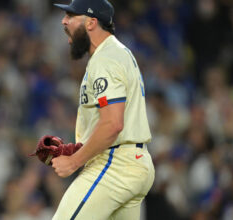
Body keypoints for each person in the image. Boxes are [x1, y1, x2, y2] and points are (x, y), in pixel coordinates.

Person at [50, 0, 155, 219]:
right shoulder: (118, 53)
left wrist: (74, 161)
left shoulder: (105, 59)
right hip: (135, 162)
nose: (64, 21)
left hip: (114, 164)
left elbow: (112, 124)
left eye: (71, 16)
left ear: (91, 22)